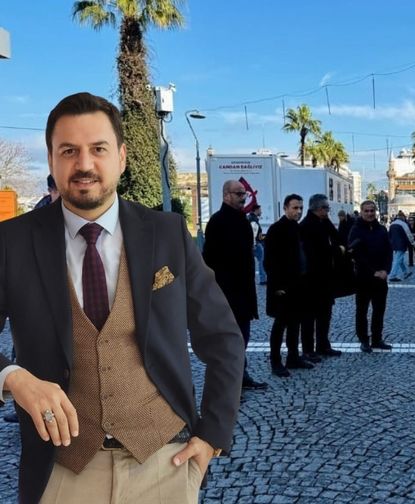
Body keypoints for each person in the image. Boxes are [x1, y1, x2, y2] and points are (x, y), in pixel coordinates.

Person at [0, 92, 244, 503]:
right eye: (69, 151)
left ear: (122, 157)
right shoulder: (12, 242)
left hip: (165, 466)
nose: (84, 164)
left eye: (98, 149)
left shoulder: (166, 233)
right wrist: (13, 378)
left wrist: (212, 436)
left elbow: (222, 338)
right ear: (51, 160)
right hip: (60, 472)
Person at [204, 180, 268, 391]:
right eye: (239, 193)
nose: (243, 197)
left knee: (242, 338)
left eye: (244, 194)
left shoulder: (242, 220)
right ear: (226, 195)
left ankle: (241, 375)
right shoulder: (217, 222)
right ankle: (228, 382)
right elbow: (209, 260)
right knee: (229, 341)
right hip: (227, 293)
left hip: (243, 291)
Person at [264, 194, 313, 376]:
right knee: (280, 324)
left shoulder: (298, 229)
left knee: (295, 323)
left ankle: (293, 357)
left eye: (300, 208)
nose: (298, 211)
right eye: (294, 208)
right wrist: (278, 287)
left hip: (299, 284)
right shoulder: (277, 230)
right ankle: (276, 361)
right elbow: (270, 262)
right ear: (285, 208)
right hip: (282, 287)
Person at [299, 194, 343, 359]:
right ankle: (308, 350)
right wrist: (337, 250)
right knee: (309, 316)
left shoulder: (323, 221)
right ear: (319, 208)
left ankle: (323, 345)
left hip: (325, 277)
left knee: (325, 313)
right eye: (326, 208)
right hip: (311, 278)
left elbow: (336, 236)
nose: (328, 211)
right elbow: (315, 252)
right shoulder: (307, 225)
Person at [348, 201, 393, 353]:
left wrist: (386, 270)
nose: (369, 213)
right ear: (361, 212)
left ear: (376, 211)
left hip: (381, 278)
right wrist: (372, 271)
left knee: (379, 310)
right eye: (366, 211)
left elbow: (388, 251)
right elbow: (356, 254)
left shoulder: (381, 230)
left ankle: (377, 338)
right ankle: (363, 340)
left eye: (372, 210)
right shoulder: (356, 229)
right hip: (363, 278)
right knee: (362, 311)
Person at [388, 211, 414, 282]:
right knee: (397, 260)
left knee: (400, 259)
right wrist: (412, 242)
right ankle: (392, 275)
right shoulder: (404, 224)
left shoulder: (392, 224)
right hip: (402, 244)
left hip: (394, 244)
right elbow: (408, 234)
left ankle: (406, 272)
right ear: (402, 217)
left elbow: (389, 235)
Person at [248, 204, 267, 285]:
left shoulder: (251, 218)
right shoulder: (253, 220)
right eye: (260, 210)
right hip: (255, 244)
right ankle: (263, 279)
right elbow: (253, 233)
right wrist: (253, 244)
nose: (261, 211)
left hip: (253, 244)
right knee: (262, 261)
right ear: (256, 210)